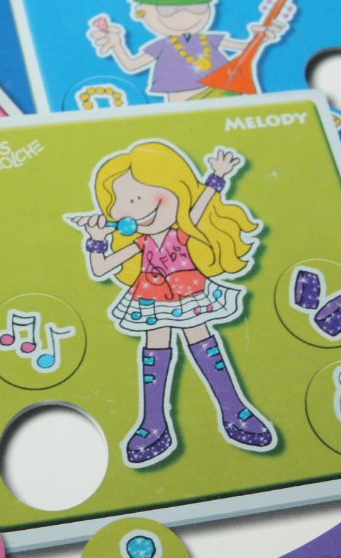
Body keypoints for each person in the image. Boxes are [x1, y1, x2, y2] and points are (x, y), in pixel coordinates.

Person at [69, 141, 275, 465]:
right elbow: (100, 268)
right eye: (120, 203)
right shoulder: (140, 243)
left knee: (202, 339)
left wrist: (217, 176)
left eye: (136, 198)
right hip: (152, 298)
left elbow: (201, 205)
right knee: (155, 346)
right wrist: (96, 240)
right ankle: (153, 423)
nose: (129, 210)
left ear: (172, 188)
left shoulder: (184, 231)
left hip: (190, 291)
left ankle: (234, 409)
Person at [86, 0, 288, 101]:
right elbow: (132, 65)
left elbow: (246, 48)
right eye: (168, 11)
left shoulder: (210, 40)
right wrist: (117, 44)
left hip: (223, 94)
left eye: (198, 8)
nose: (186, 16)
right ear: (142, 12)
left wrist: (262, 37)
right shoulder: (162, 46)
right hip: (183, 104)